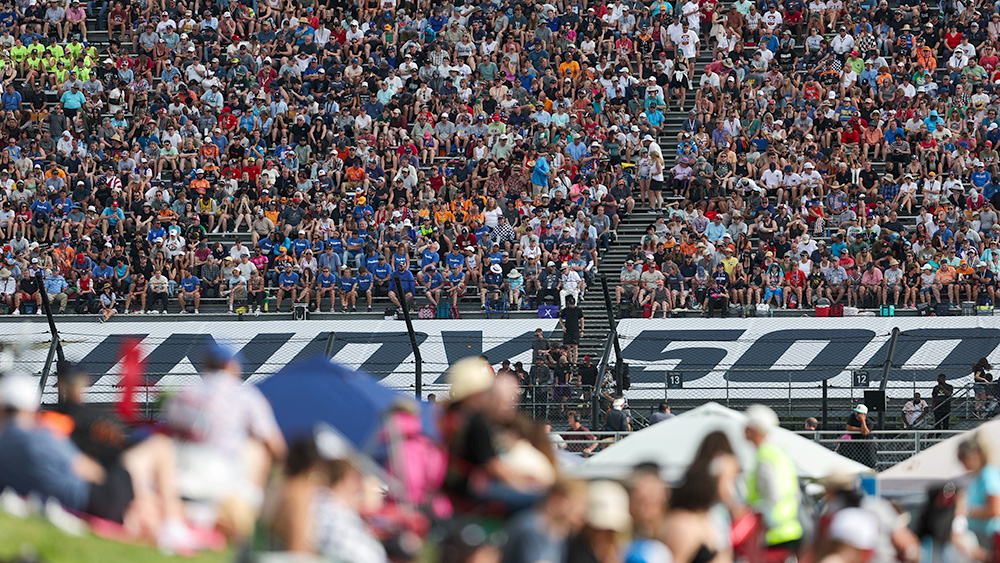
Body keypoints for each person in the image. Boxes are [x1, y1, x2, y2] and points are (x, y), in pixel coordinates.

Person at [663, 431, 740, 563]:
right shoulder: (727, 461)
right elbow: (724, 491)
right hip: (717, 512)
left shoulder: (704, 463)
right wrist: (735, 509)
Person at [744, 405, 804, 550]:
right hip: (789, 528)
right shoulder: (778, 454)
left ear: (755, 430)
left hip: (772, 532)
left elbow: (771, 495)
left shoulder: (764, 455)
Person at [957, 433, 1000, 553]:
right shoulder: (978, 476)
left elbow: (995, 510)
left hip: (988, 537)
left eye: (963, 458)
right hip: (979, 535)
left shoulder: (988, 475)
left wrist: (966, 511)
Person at [842, 403, 877, 469]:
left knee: (870, 464)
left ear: (864, 414)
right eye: (856, 412)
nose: (857, 414)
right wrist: (861, 429)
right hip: (855, 444)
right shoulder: (852, 417)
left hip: (867, 445)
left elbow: (865, 433)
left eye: (859, 413)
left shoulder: (868, 422)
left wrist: (863, 421)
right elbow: (849, 428)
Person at [558, 296, 584, 366]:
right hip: (568, 329)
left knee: (575, 347)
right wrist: (563, 326)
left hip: (575, 329)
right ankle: (570, 361)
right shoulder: (566, 310)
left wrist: (582, 330)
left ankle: (575, 362)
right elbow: (560, 318)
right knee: (568, 347)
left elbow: (582, 320)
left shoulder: (578, 310)